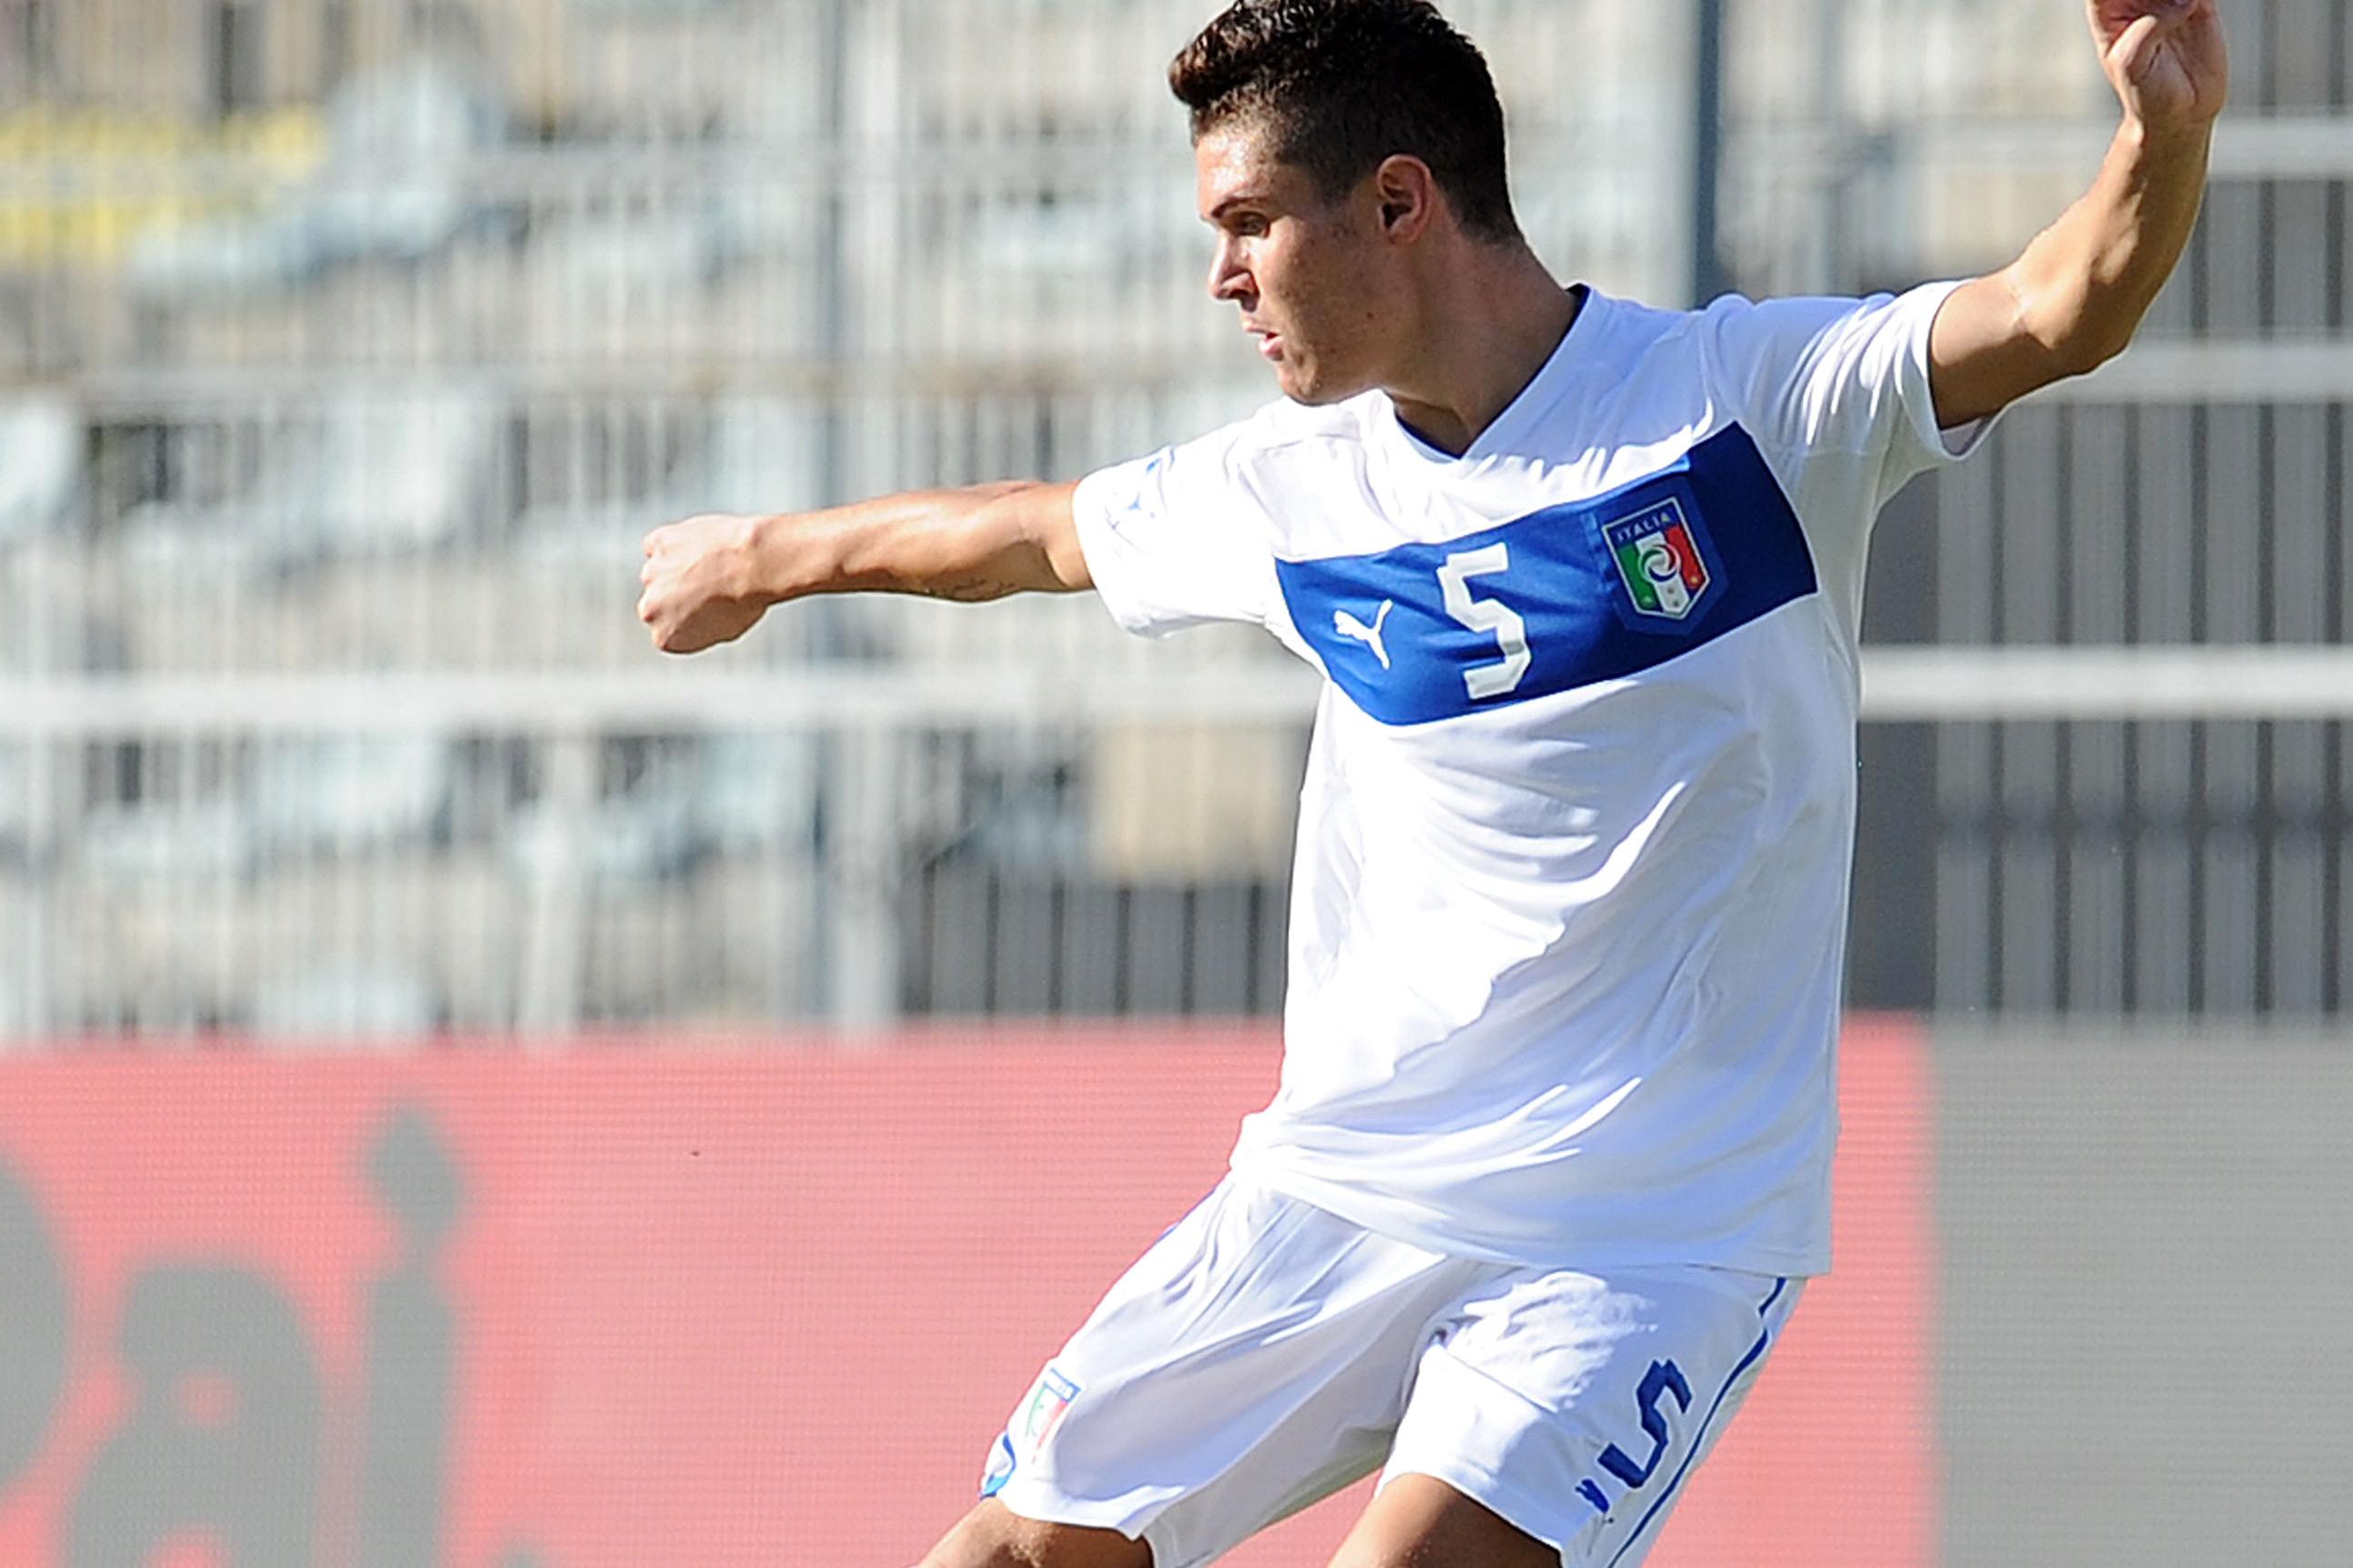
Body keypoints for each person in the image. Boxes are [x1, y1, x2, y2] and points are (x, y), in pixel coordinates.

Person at [638, 1, 2228, 1563]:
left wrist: (2165, 125)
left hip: (1642, 1236)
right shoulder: (1289, 488)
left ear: (1398, 202)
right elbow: (1034, 532)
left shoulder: (1744, 405)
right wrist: (765, 557)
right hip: (1336, 1188)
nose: (1223, 273)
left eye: (1252, 220)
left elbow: (2059, 304)